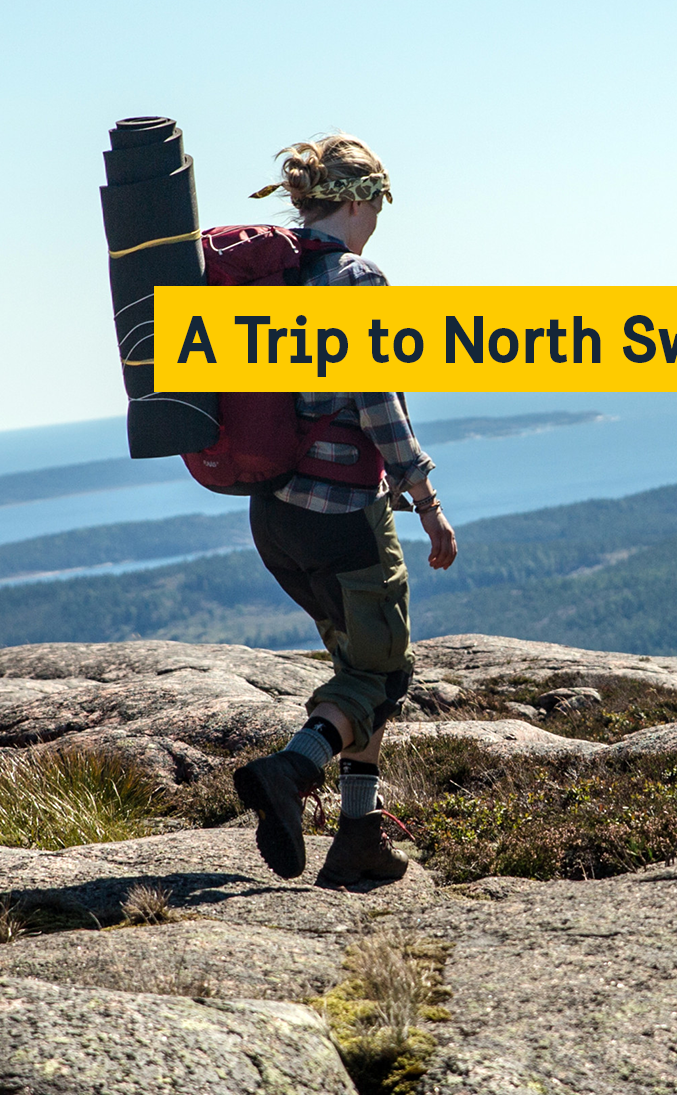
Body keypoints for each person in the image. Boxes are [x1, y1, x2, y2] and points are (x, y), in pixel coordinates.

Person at [232, 132, 457, 889]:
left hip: (274, 516)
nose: (379, 217)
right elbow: (377, 399)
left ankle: (359, 836)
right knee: (383, 674)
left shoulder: (274, 279)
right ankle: (292, 770)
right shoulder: (355, 279)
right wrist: (426, 501)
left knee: (356, 667)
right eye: (379, 203)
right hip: (341, 513)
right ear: (361, 200)